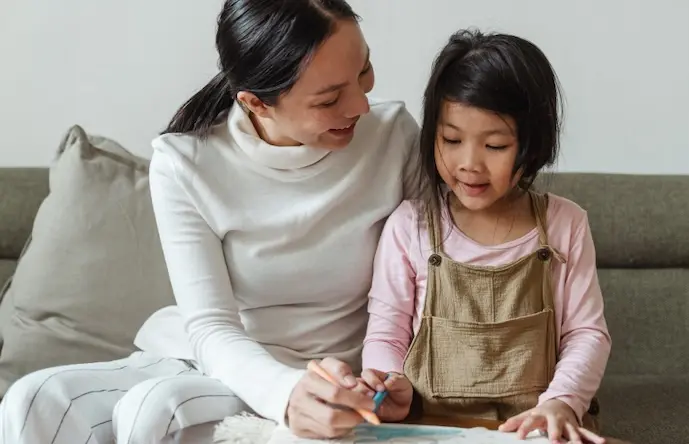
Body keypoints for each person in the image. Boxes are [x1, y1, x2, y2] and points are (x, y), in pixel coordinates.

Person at [0, 0, 421, 443]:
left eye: (364, 70)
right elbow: (211, 326)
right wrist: (285, 393)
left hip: (329, 370)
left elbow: (434, 275)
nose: (362, 103)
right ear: (256, 102)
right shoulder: (184, 162)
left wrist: (386, 375)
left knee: (157, 410)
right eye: (330, 98)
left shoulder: (394, 137)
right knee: (33, 399)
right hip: (219, 360)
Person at [357, 29, 613, 443]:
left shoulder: (565, 224)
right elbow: (386, 334)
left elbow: (587, 333)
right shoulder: (410, 226)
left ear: (532, 145)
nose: (469, 164)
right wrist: (389, 383)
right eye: (451, 140)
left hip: (535, 427)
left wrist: (562, 401)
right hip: (430, 427)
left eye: (495, 145)